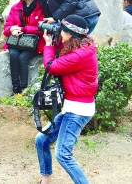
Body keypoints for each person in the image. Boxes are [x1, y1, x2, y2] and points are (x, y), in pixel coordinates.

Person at [35, 14, 98, 184]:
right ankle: (46, 180)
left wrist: (48, 45)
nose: (59, 32)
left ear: (71, 34)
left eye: (62, 29)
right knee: (41, 140)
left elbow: (52, 67)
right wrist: (54, 39)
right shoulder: (80, 47)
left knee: (62, 154)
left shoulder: (80, 54)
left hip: (78, 110)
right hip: (72, 106)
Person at [2, 0, 45, 95]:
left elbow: (41, 28)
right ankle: (16, 89)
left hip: (33, 42)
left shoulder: (40, 6)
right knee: (14, 55)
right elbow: (6, 28)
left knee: (23, 58)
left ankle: (24, 88)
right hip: (17, 41)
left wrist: (23, 29)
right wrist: (12, 29)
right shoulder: (15, 7)